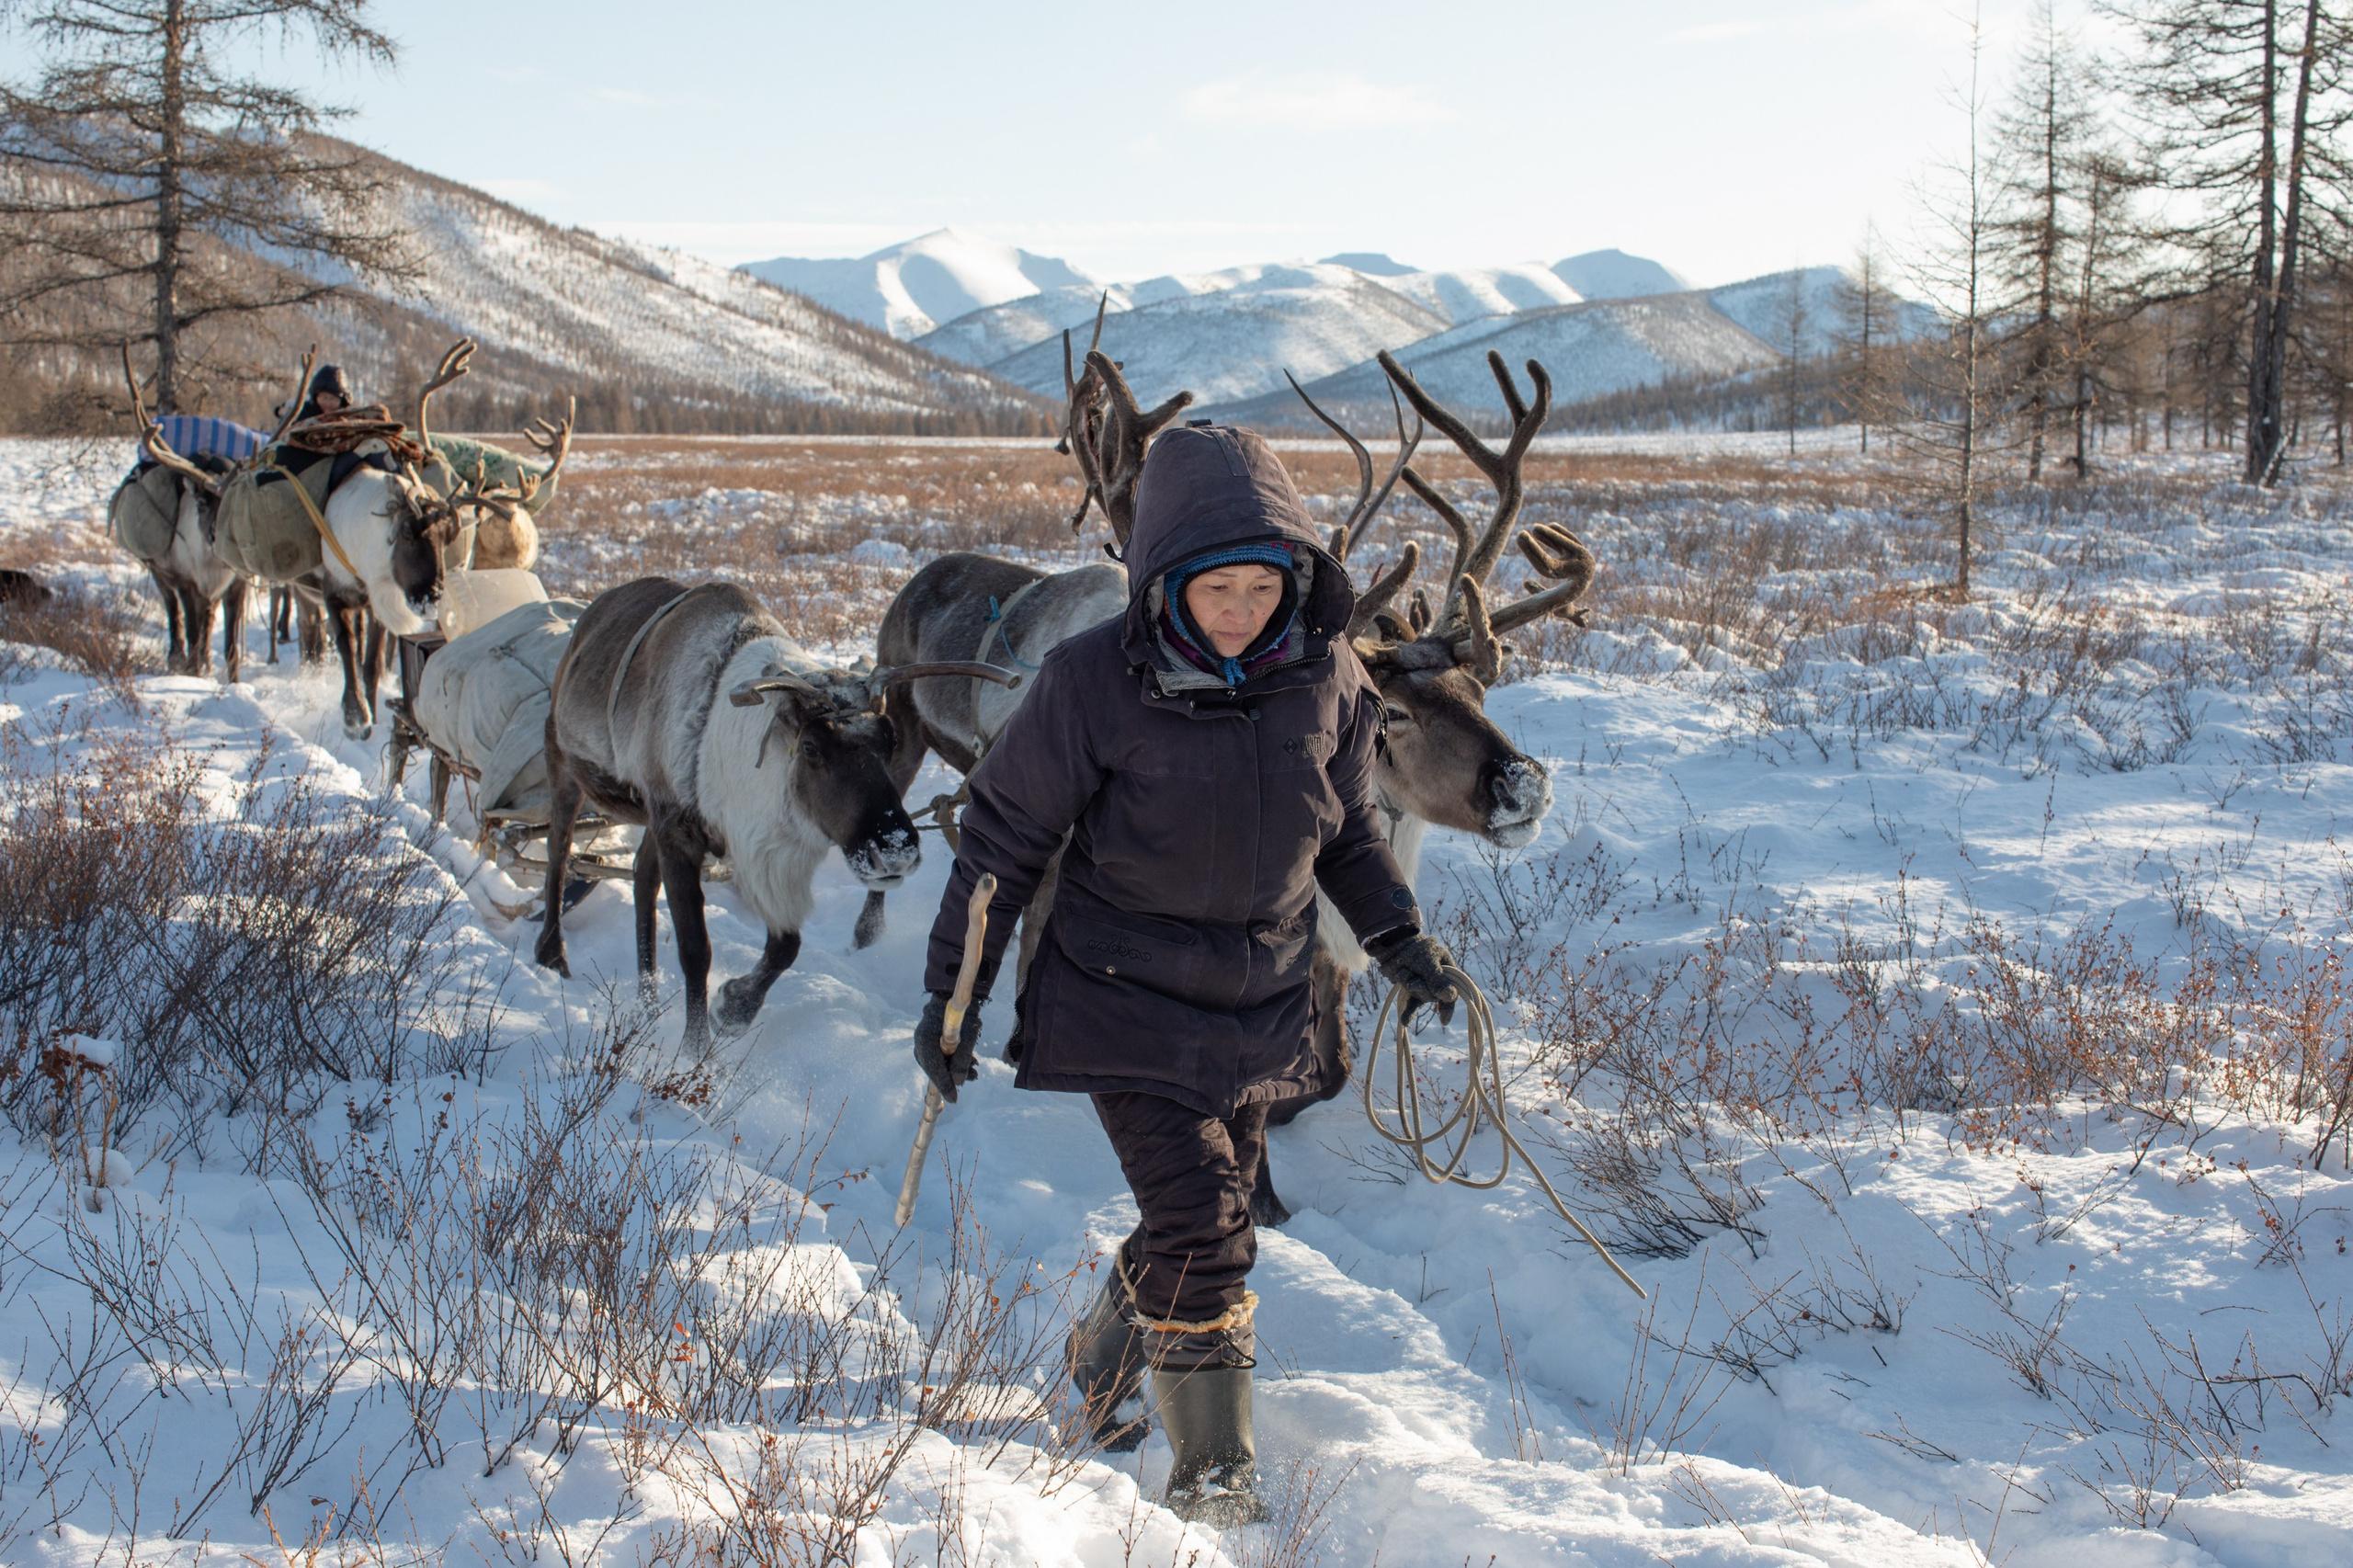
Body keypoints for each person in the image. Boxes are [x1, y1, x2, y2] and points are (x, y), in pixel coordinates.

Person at [915, 422, 1460, 1526]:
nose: (1241, 609)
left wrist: (1400, 939)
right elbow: (1000, 846)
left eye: (1266, 585)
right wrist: (954, 996)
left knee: (1209, 1224)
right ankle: (1215, 1479)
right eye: (1218, 586)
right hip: (1123, 995)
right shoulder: (1088, 684)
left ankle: (1100, 1359)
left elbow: (1348, 833)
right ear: (1164, 576)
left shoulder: (1327, 680)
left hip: (1258, 1000)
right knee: (1209, 1227)